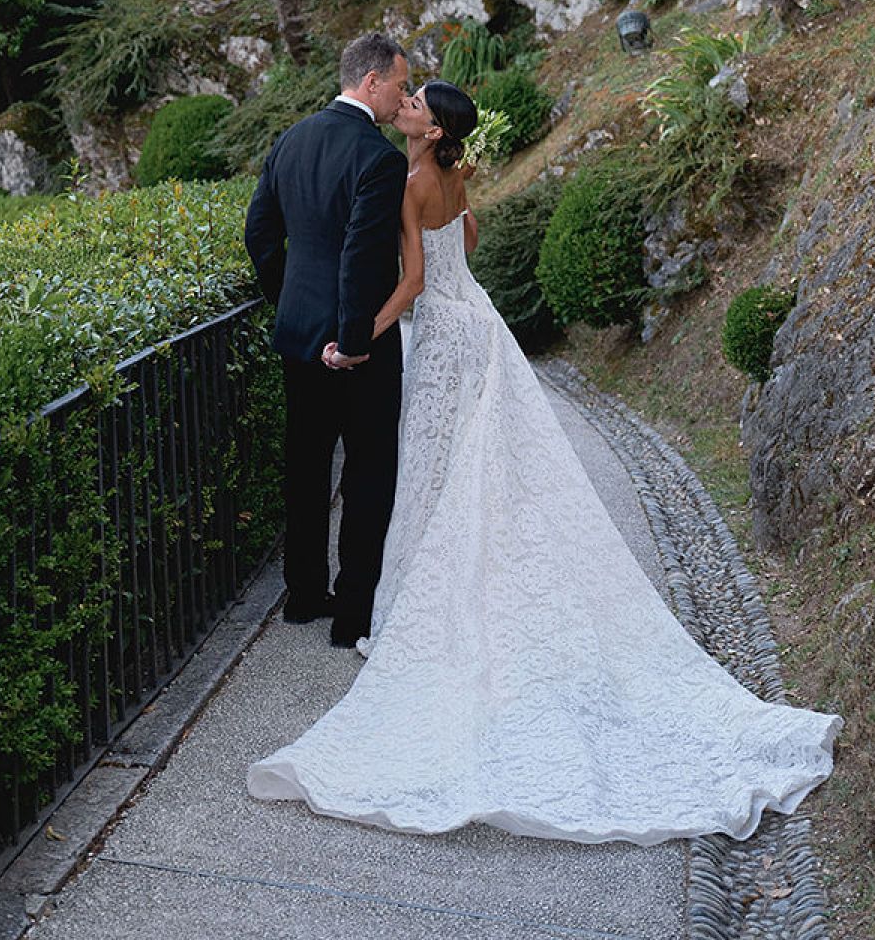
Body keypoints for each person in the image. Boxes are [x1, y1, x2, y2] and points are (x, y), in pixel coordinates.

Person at [248, 80, 840, 848]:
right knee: (467, 462)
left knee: (433, 466)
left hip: (439, 332)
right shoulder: (453, 174)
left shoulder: (409, 175)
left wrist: (360, 331)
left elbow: (416, 278)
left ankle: (415, 587)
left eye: (418, 105)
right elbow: (467, 243)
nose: (408, 107)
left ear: (430, 132)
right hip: (480, 325)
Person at [244, 32, 410, 649]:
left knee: (307, 470)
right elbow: (361, 260)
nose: (403, 95)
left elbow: (259, 234)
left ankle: (305, 596)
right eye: (398, 83)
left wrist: (291, 306)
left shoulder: (290, 140)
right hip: (354, 348)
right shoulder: (380, 157)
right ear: (370, 82)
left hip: (297, 339)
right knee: (368, 474)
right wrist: (351, 341)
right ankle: (352, 618)